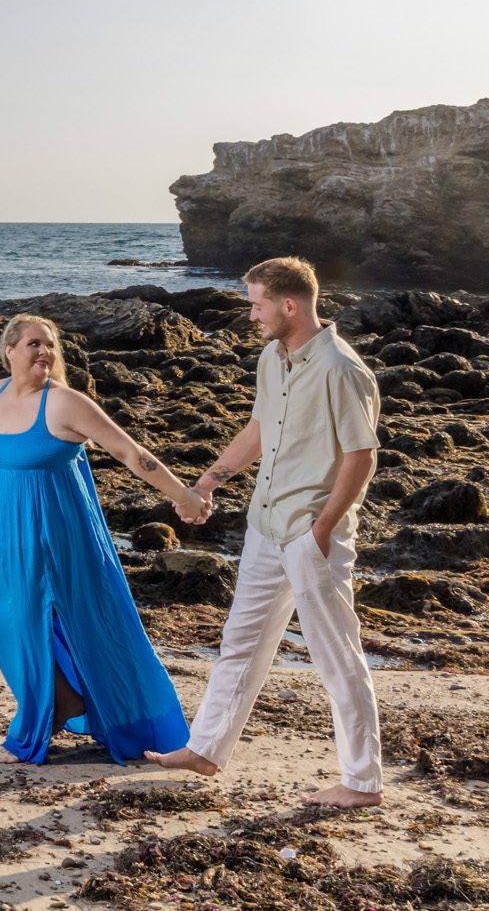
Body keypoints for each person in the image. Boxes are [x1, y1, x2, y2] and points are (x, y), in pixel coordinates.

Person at [144, 256, 385, 808]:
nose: (251, 315)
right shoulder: (272, 360)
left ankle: (361, 782)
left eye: (256, 304)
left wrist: (324, 528)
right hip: (264, 523)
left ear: (289, 305)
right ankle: (205, 748)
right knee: (242, 642)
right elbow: (258, 427)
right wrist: (208, 481)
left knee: (336, 654)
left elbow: (361, 457)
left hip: (309, 533)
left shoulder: (342, 369)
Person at [0, 312, 208, 766]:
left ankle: (42, 721)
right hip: (5, 531)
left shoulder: (65, 403)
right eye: (34, 344)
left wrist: (184, 496)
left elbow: (131, 453)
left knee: (46, 618)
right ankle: (64, 700)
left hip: (55, 533)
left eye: (50, 345)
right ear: (9, 352)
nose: (44, 352)